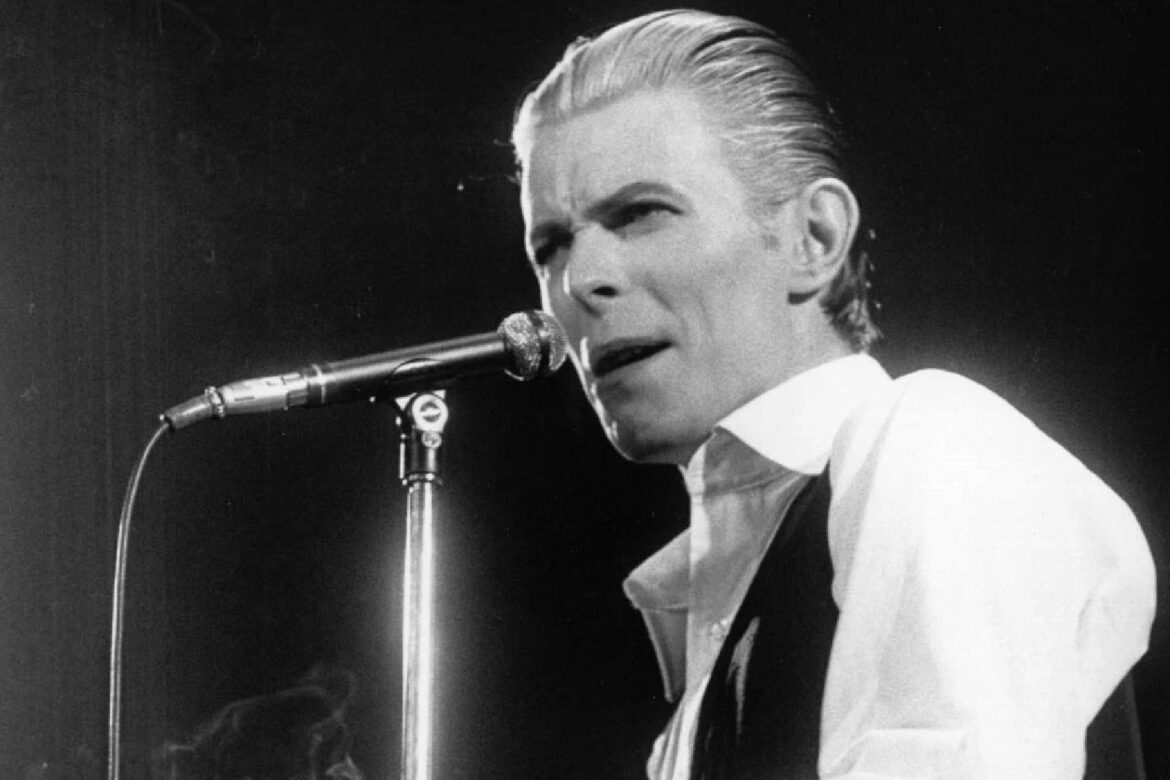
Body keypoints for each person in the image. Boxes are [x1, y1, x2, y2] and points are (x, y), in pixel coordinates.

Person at [511, 9, 1156, 780]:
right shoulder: (701, 684)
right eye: (551, 246)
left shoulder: (934, 441)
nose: (579, 282)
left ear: (815, 238)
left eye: (641, 213)